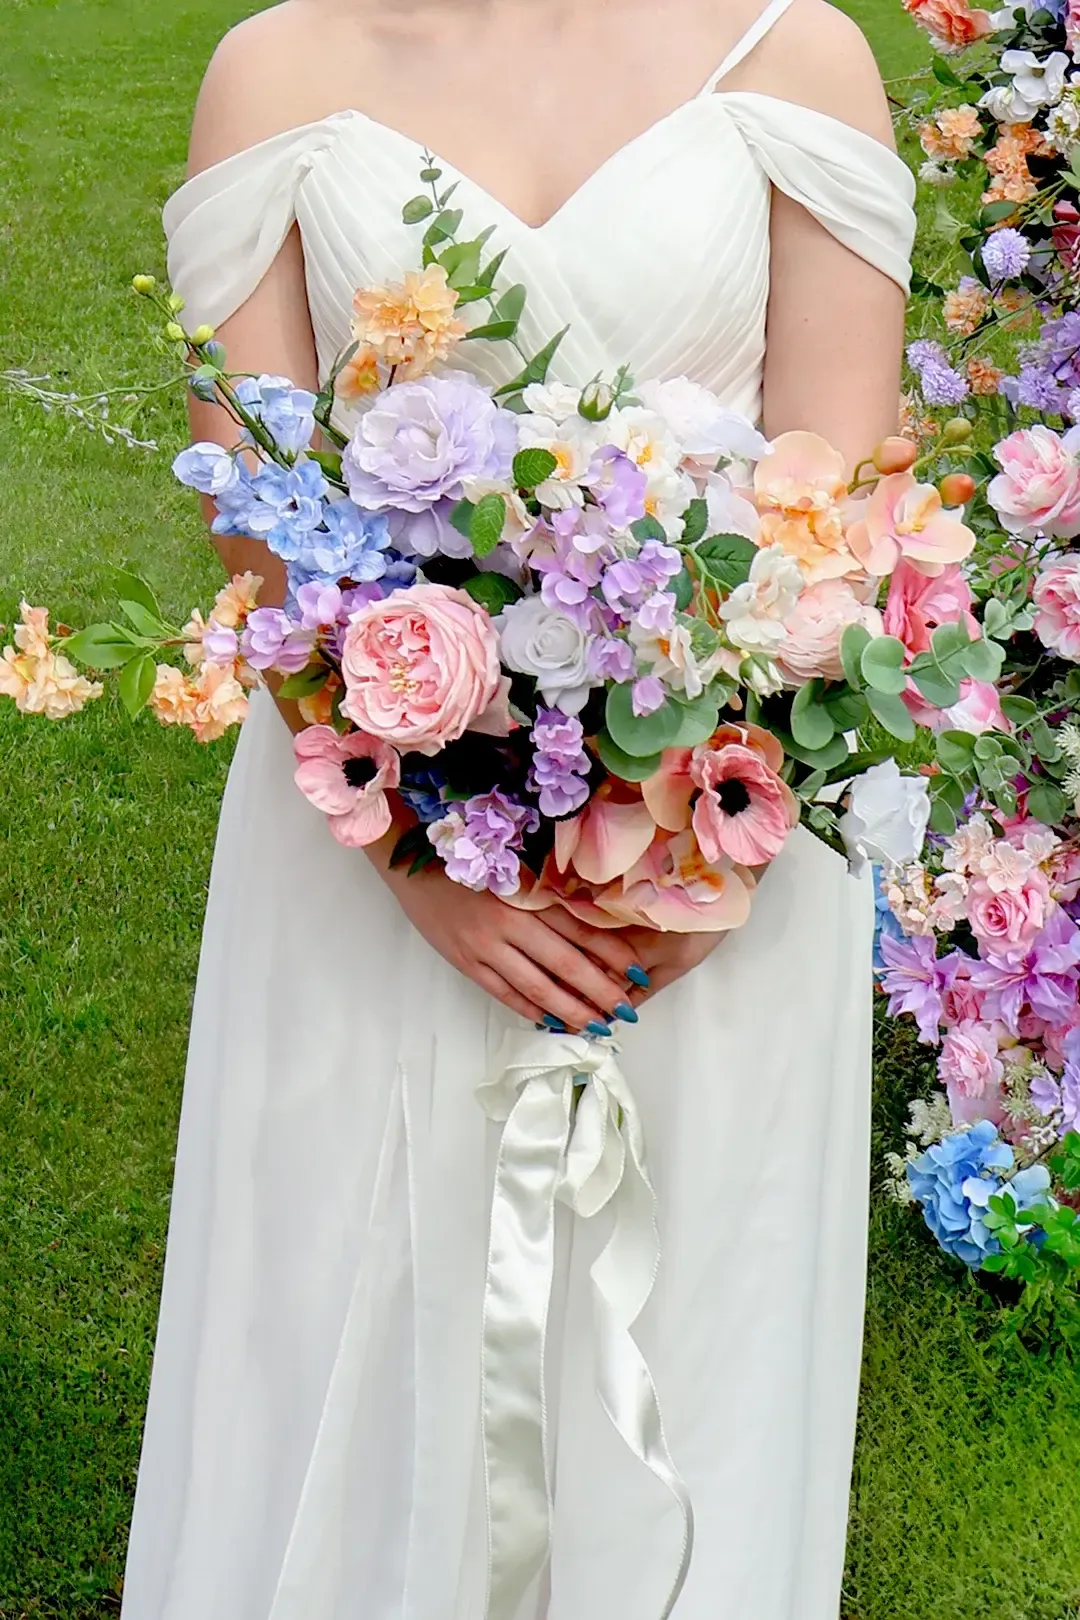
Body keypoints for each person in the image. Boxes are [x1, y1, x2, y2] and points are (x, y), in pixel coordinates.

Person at [120, 0, 914, 1613]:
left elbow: (834, 488)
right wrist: (415, 850)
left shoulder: (798, 54)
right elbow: (261, 518)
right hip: (369, 827)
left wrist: (709, 840)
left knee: (695, 1329)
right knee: (346, 1297)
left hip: (716, 841)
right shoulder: (274, 67)